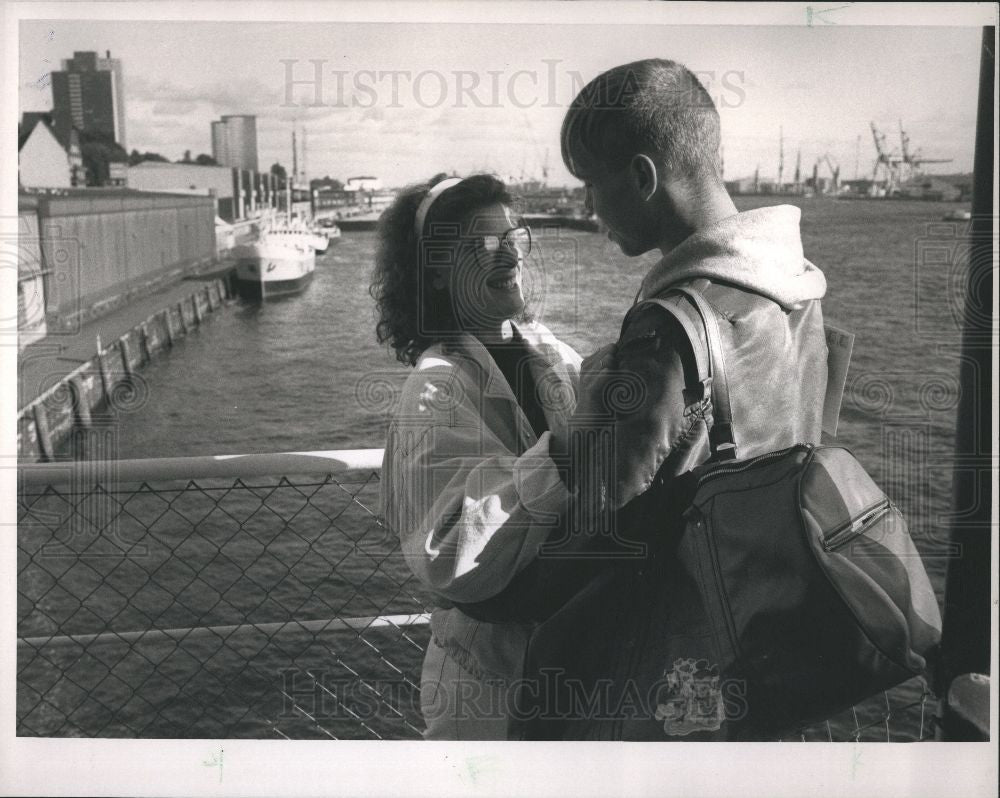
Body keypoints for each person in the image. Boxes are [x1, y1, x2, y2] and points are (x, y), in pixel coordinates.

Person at [497, 59, 830, 739]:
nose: (590, 212)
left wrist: (501, 592)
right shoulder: (795, 287)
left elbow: (610, 524)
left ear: (643, 178)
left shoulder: (667, 329)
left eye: (592, 186)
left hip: (668, 663)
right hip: (769, 624)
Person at [372, 174, 583, 739]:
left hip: (570, 662)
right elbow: (450, 555)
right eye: (481, 245)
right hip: (487, 687)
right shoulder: (435, 390)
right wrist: (567, 453)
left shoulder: (550, 352)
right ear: (437, 272)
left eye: (513, 236)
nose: (508, 253)